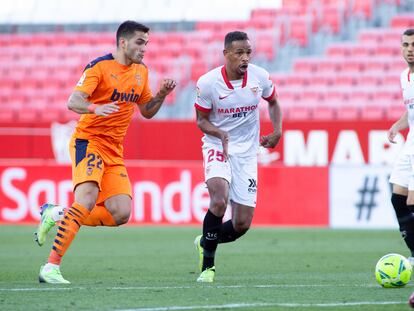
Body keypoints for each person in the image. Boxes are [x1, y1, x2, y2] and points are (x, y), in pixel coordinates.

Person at [36, 20, 176, 284]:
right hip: (88, 141)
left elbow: (146, 111)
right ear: (123, 42)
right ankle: (51, 267)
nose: (144, 48)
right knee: (87, 199)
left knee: (121, 213)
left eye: (146, 43)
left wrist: (161, 95)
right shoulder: (98, 67)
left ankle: (56, 213)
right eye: (139, 42)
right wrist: (94, 108)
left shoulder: (141, 72)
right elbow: (73, 101)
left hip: (114, 150)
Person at [193, 31, 282, 283]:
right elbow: (201, 120)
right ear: (226, 54)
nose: (245, 58)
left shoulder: (260, 77)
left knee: (242, 224)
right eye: (239, 53)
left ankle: (204, 240)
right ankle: (208, 268)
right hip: (217, 146)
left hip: (246, 153)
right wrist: (218, 133)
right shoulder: (208, 83)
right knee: (219, 201)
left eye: (248, 52)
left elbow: (274, 102)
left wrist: (277, 131)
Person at [388, 28, 414, 266]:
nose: (410, 49)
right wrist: (398, 125)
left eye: (413, 44)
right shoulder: (404, 76)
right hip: (410, 143)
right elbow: (411, 111)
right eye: (406, 45)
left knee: (412, 202)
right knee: (398, 198)